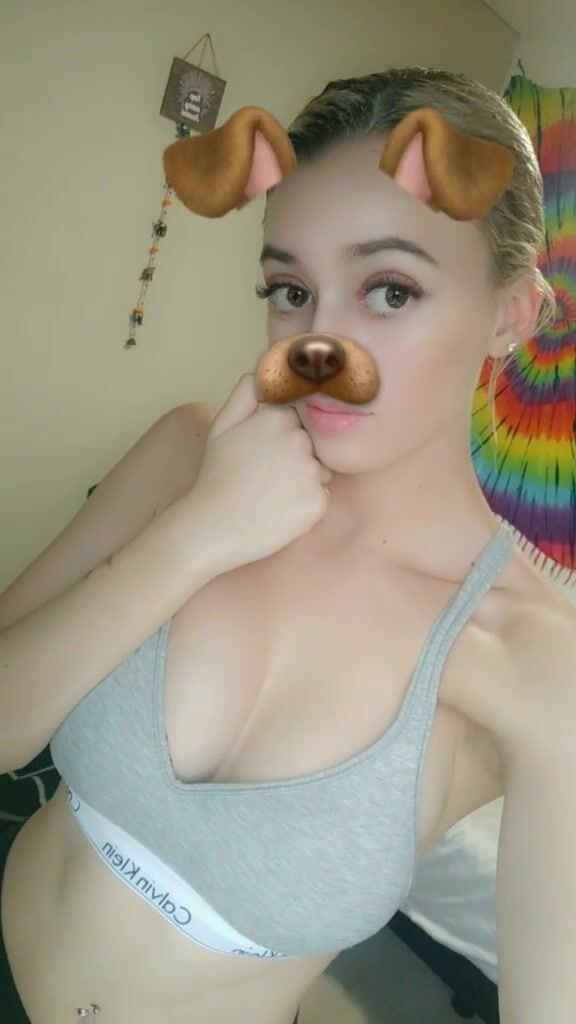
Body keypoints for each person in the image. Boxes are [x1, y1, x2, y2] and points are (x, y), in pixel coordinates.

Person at [0, 66, 571, 1024]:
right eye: (291, 289)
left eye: (389, 290)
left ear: (509, 313)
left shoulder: (537, 661)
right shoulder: (190, 455)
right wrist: (194, 536)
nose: (317, 347)